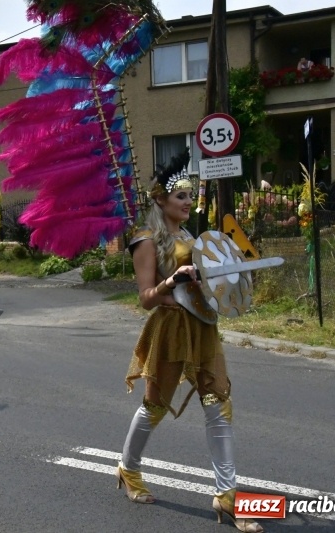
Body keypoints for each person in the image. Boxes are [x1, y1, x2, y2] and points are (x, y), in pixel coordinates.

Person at [116, 151, 263, 533]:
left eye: (189, 194)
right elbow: (146, 298)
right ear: (160, 199)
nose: (187, 201)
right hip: (170, 329)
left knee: (218, 404)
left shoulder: (189, 236)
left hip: (203, 327)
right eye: (180, 195)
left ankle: (226, 497)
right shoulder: (146, 241)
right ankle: (128, 469)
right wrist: (174, 279)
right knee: (154, 406)